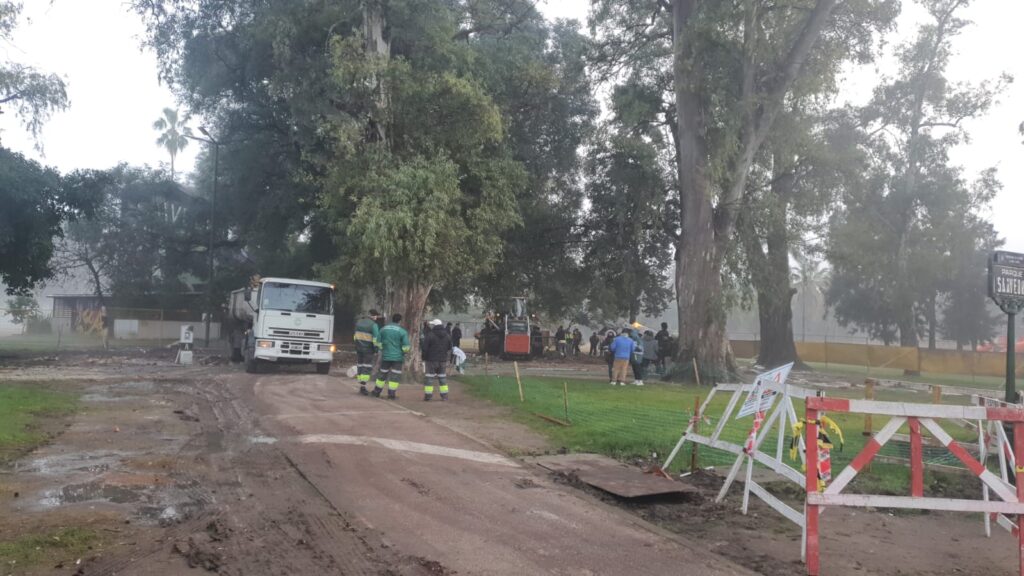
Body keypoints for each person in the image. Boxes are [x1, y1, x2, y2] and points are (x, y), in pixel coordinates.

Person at [372, 313, 411, 400]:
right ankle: (391, 394)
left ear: (392, 319)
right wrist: (404, 352)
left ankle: (376, 392)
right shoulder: (402, 331)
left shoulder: (383, 329)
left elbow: (377, 342)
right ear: (400, 321)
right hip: (397, 358)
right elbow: (406, 347)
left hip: (386, 356)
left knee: (382, 374)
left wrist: (383, 349)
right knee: (394, 376)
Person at [422, 319, 452, 401]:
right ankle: (444, 396)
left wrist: (424, 357)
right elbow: (450, 347)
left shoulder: (430, 335)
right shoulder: (447, 335)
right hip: (443, 360)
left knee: (429, 378)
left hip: (431, 360)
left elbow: (425, 348)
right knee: (442, 378)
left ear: (434, 325)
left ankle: (428, 396)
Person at [354, 309, 382, 395]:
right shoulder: (373, 325)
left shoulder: (358, 323)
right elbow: (375, 339)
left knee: (360, 365)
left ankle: (361, 386)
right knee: (367, 367)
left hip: (359, 348)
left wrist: (357, 346)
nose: (376, 317)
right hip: (368, 350)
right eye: (376, 316)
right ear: (373, 316)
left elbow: (355, 337)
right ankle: (363, 387)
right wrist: (376, 349)